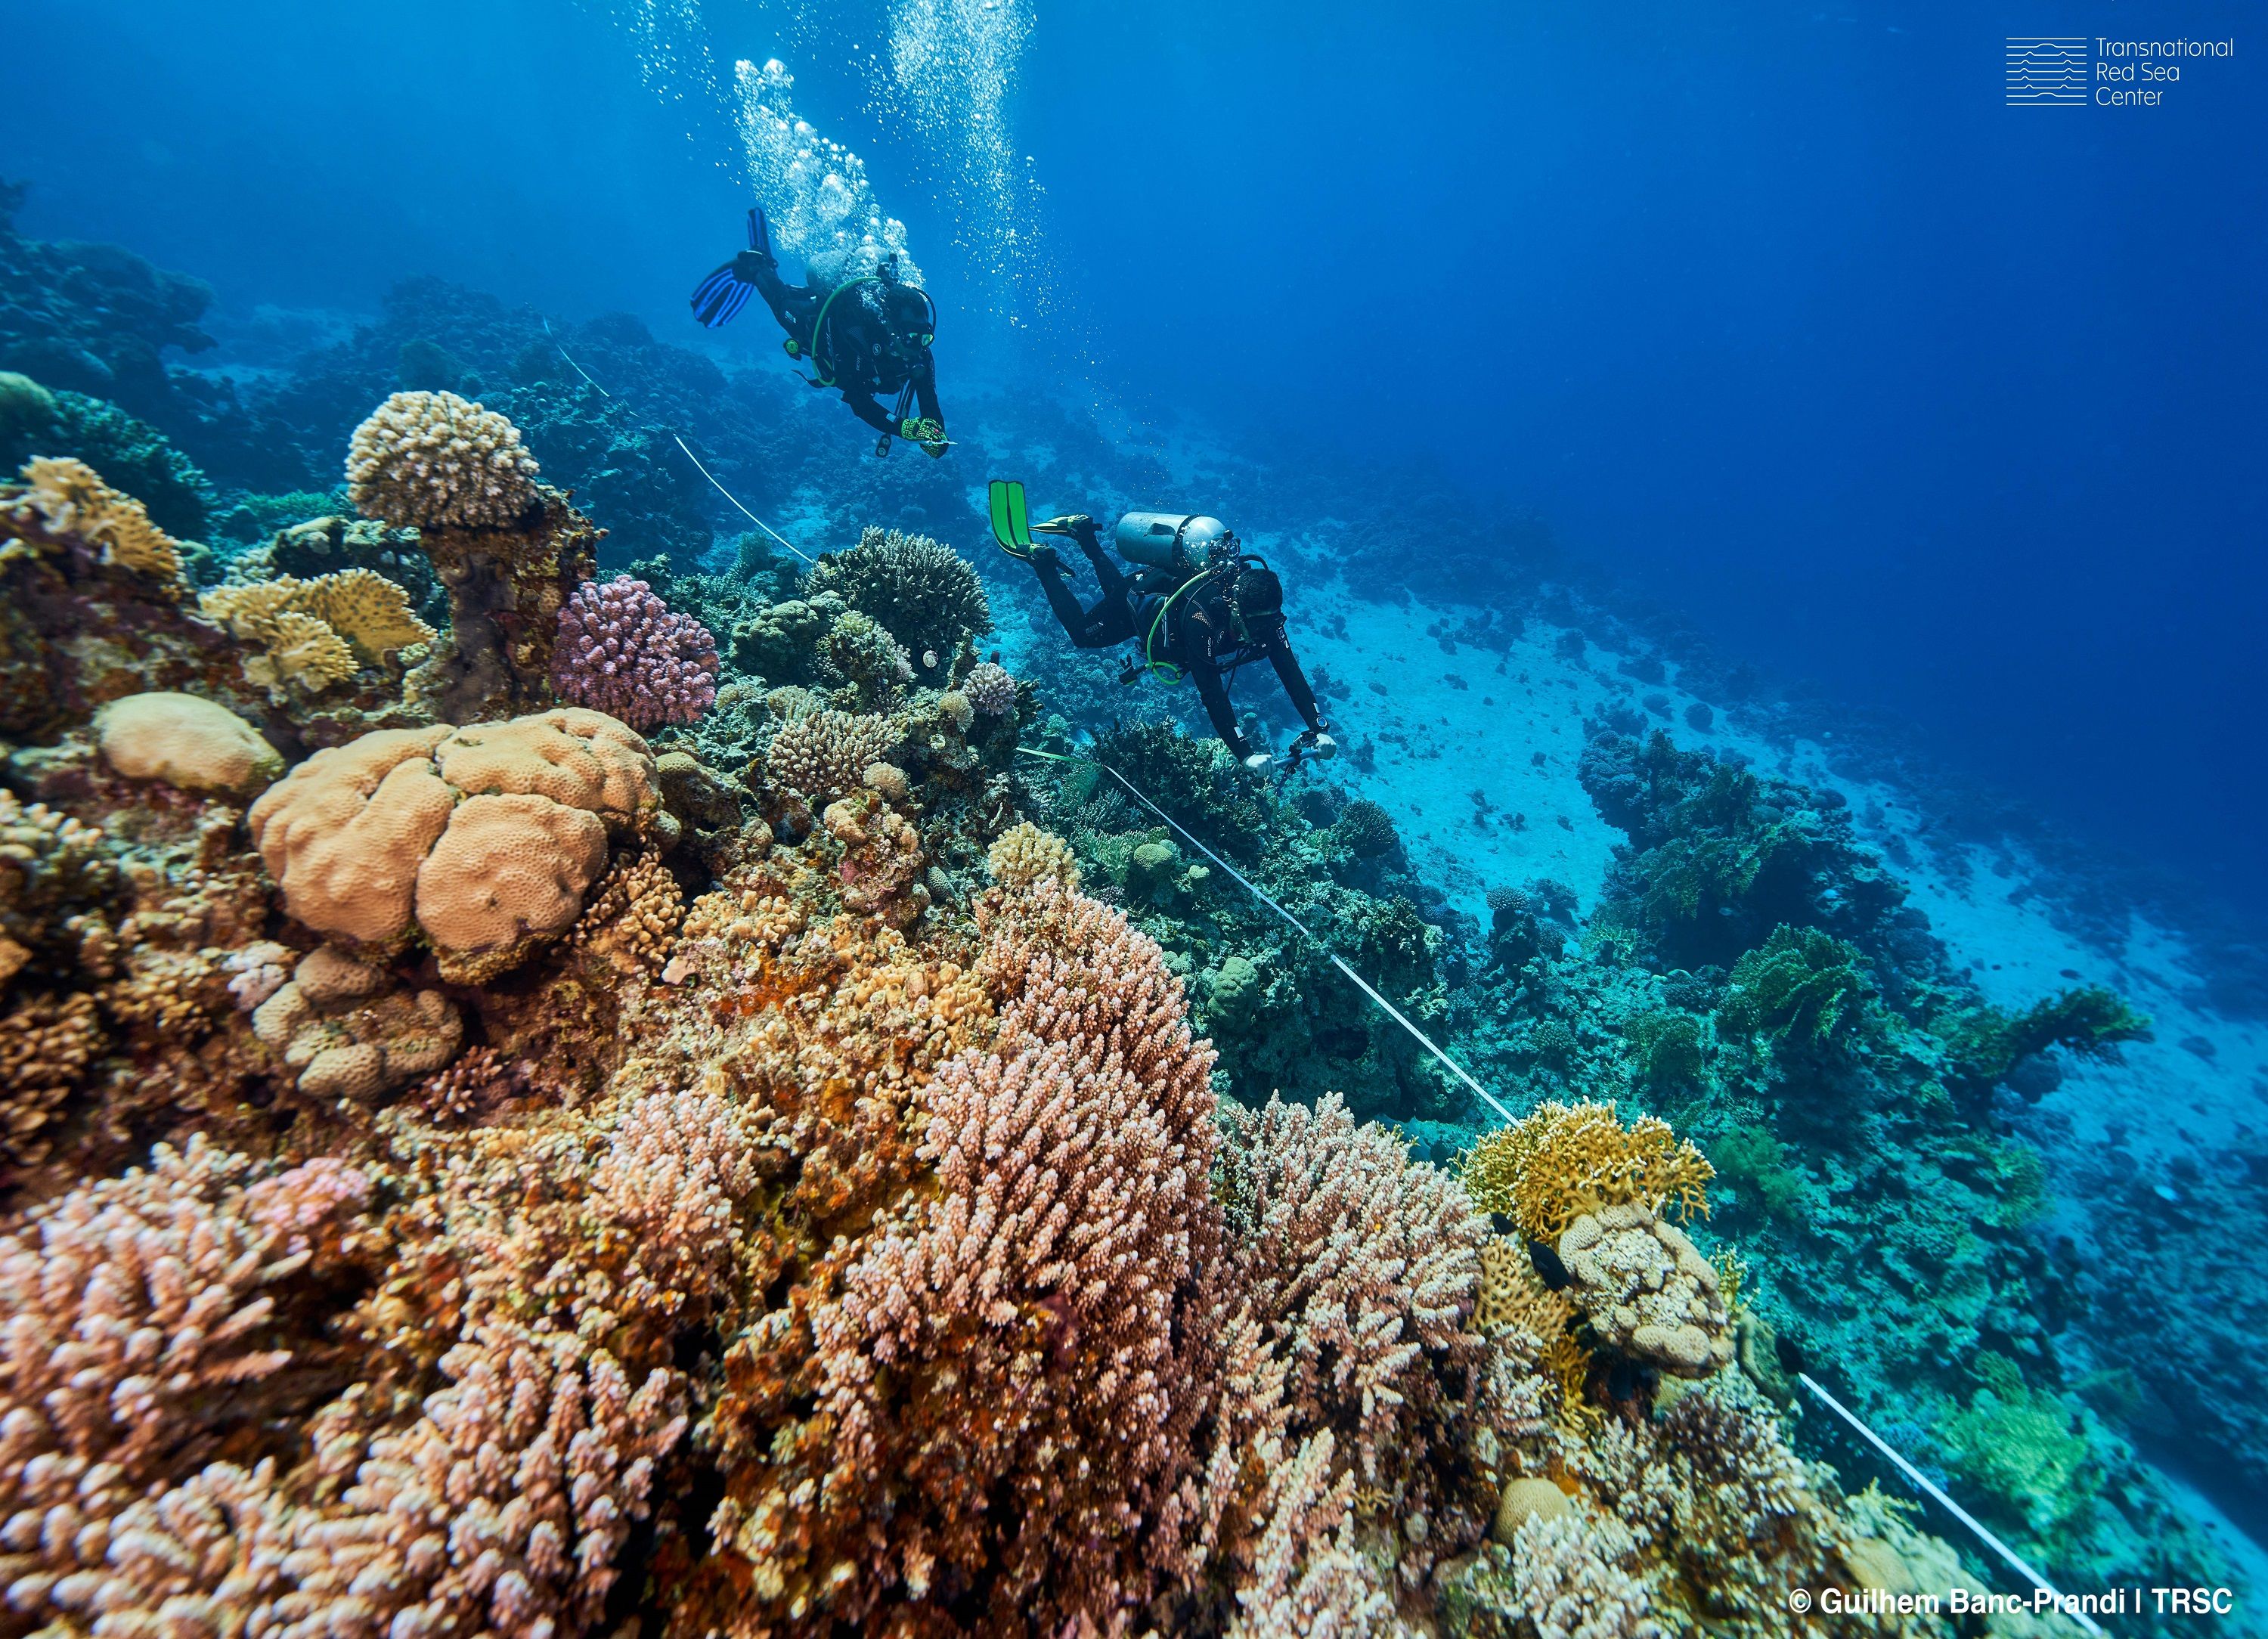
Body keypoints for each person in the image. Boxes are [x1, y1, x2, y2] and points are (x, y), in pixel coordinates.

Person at [988, 482, 1336, 770]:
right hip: (1143, 594)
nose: (1259, 636)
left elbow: (1290, 672)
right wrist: (1244, 752)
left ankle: (1084, 535)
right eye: (1251, 626)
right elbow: (1211, 691)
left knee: (1116, 593)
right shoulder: (1204, 619)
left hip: (1151, 592)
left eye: (1267, 626)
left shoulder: (1265, 616)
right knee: (1084, 633)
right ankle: (1044, 563)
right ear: (1234, 607)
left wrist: (1318, 727)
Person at [690, 208, 947, 458]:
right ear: (890, 329)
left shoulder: (920, 354)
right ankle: (757, 265)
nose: (919, 347)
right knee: (782, 306)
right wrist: (904, 428)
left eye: (926, 337)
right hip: (817, 328)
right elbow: (859, 401)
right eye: (912, 339)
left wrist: (937, 438)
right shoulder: (859, 332)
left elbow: (929, 401)